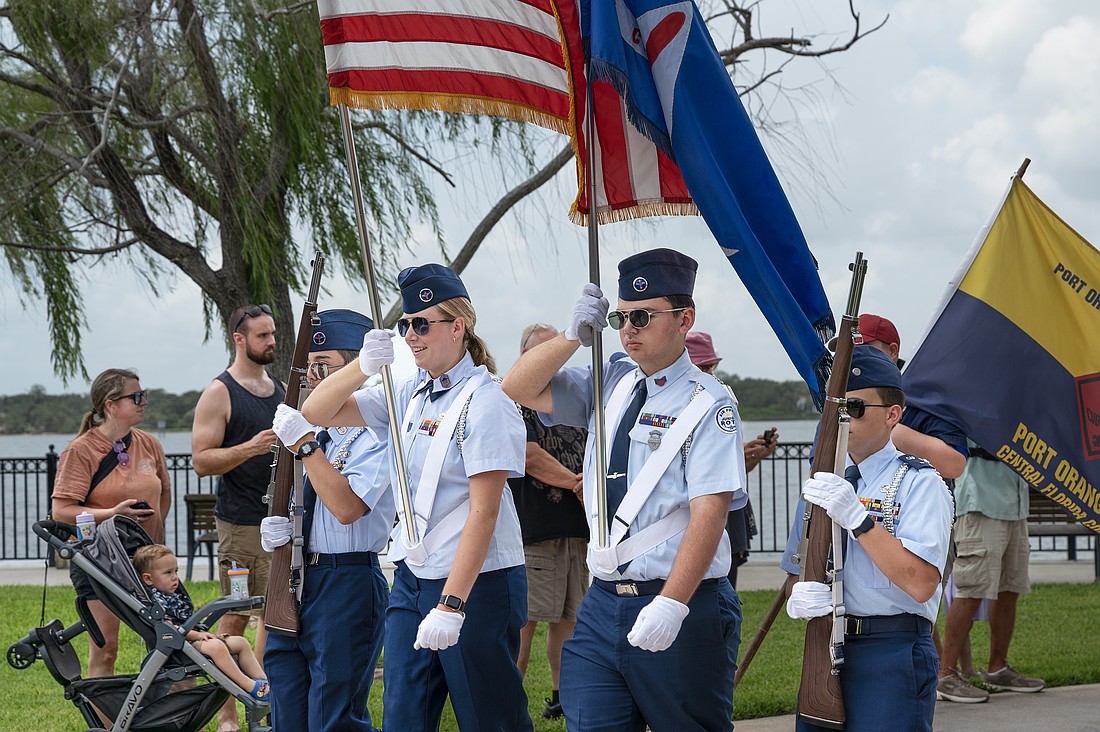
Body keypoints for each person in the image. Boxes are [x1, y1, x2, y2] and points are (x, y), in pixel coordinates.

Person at [503, 248, 746, 731]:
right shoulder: (611, 380)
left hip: (682, 599)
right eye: (620, 316)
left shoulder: (711, 404)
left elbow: (710, 513)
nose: (628, 327)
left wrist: (673, 603)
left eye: (642, 315)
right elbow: (515, 388)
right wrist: (573, 337)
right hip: (604, 601)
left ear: (685, 319)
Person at [303, 264, 532, 732]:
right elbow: (316, 411)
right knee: (403, 718)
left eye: (422, 323)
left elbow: (484, 512)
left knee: (490, 718)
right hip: (414, 576)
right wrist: (361, 369)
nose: (410, 335)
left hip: (478, 580)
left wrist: (451, 604)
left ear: (458, 326)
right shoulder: (408, 391)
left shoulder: (487, 401)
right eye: (406, 325)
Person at [784, 346, 954, 732]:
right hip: (827, 647)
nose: (843, 418)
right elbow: (801, 563)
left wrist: (860, 521)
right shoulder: (826, 480)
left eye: (856, 408)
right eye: (837, 407)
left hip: (891, 650)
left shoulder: (919, 483)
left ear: (893, 415)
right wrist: (801, 593)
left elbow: (921, 582)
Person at [258, 309, 396, 732]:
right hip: (298, 576)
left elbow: (347, 507)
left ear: (355, 368)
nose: (314, 377)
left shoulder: (376, 430)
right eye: (310, 367)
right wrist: (280, 530)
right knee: (286, 702)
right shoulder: (315, 433)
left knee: (332, 714)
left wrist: (303, 445)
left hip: (347, 579)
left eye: (325, 366)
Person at [191, 303, 283, 731]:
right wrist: (251, 447)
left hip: (280, 523)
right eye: (262, 335)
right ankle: (226, 713)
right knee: (235, 617)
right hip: (240, 526)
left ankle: (263, 699)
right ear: (239, 339)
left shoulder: (280, 388)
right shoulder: (220, 392)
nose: (271, 342)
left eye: (273, 333)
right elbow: (202, 461)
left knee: (275, 615)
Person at [51, 368, 170, 677]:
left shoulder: (150, 444)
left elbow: (164, 495)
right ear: (110, 404)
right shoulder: (81, 450)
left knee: (173, 641)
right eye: (136, 396)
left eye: (144, 395)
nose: (144, 401)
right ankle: (105, 725)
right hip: (99, 561)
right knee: (106, 650)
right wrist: (113, 514)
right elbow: (62, 511)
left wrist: (152, 542)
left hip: (148, 561)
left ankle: (175, 719)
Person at [510, 323, 589, 720]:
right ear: (525, 355)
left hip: (577, 528)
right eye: (543, 352)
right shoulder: (515, 399)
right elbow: (528, 456)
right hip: (535, 529)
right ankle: (509, 702)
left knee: (569, 619)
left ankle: (561, 697)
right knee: (525, 622)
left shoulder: (572, 397)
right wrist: (578, 483)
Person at [935, 442, 1045, 703]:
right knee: (971, 590)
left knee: (1010, 588)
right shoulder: (978, 402)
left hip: (1016, 506)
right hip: (980, 504)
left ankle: (998, 667)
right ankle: (945, 675)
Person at [685, 331, 777, 588]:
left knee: (725, 598)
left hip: (727, 522)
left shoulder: (720, 402)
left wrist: (754, 454)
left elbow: (733, 475)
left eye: (711, 366)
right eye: (703, 366)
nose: (710, 373)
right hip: (696, 525)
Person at [133, 544, 270, 701]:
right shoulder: (156, 602)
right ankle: (248, 685)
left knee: (241, 643)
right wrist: (197, 635)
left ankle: (265, 683)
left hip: (191, 640)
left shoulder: (173, 596)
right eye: (168, 573)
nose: (174, 577)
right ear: (148, 579)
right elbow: (170, 630)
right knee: (216, 646)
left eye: (176, 571)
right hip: (179, 646)